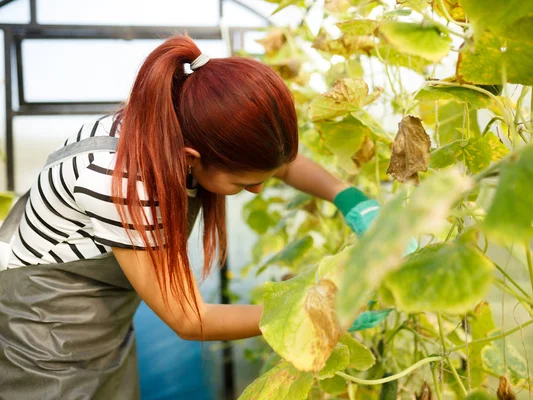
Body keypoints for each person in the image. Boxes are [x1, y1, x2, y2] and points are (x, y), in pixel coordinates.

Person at [0, 35, 380, 399]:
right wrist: (305, 314)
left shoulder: (179, 124)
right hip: (40, 343)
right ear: (190, 158)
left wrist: (349, 198)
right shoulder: (123, 182)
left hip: (101, 329)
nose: (258, 191)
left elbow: (278, 165)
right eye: (244, 183)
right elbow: (188, 320)